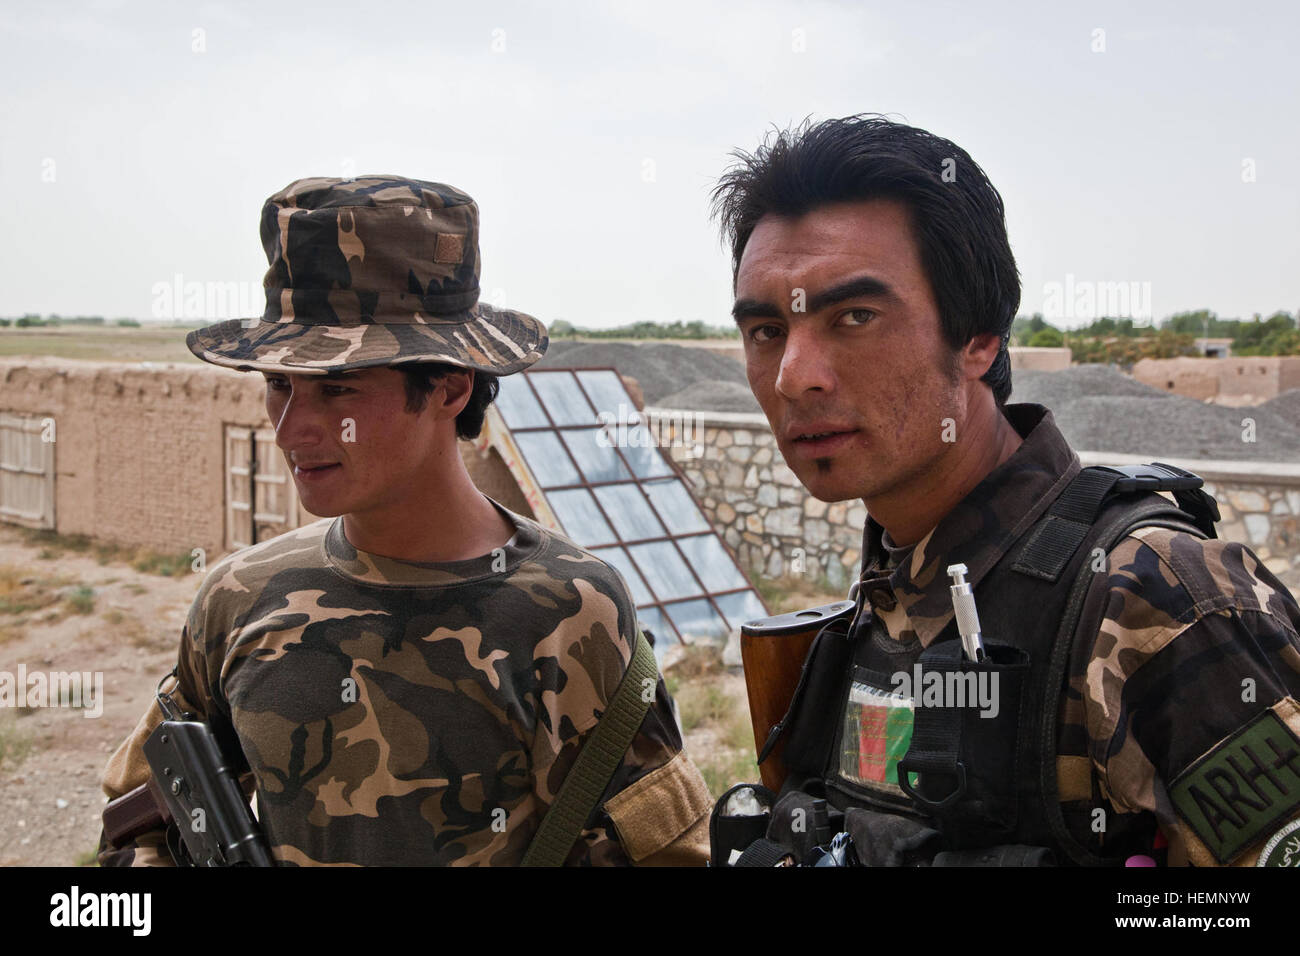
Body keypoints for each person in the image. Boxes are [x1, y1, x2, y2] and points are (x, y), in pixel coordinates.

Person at [710, 116, 1300, 866]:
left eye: (854, 317)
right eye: (766, 330)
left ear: (978, 338)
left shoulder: (1159, 598)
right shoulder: (886, 595)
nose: (795, 375)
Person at [97, 175, 711, 866]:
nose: (292, 429)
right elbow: (136, 819)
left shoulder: (571, 612)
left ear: (449, 386)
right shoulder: (239, 597)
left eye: (338, 390)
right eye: (279, 386)